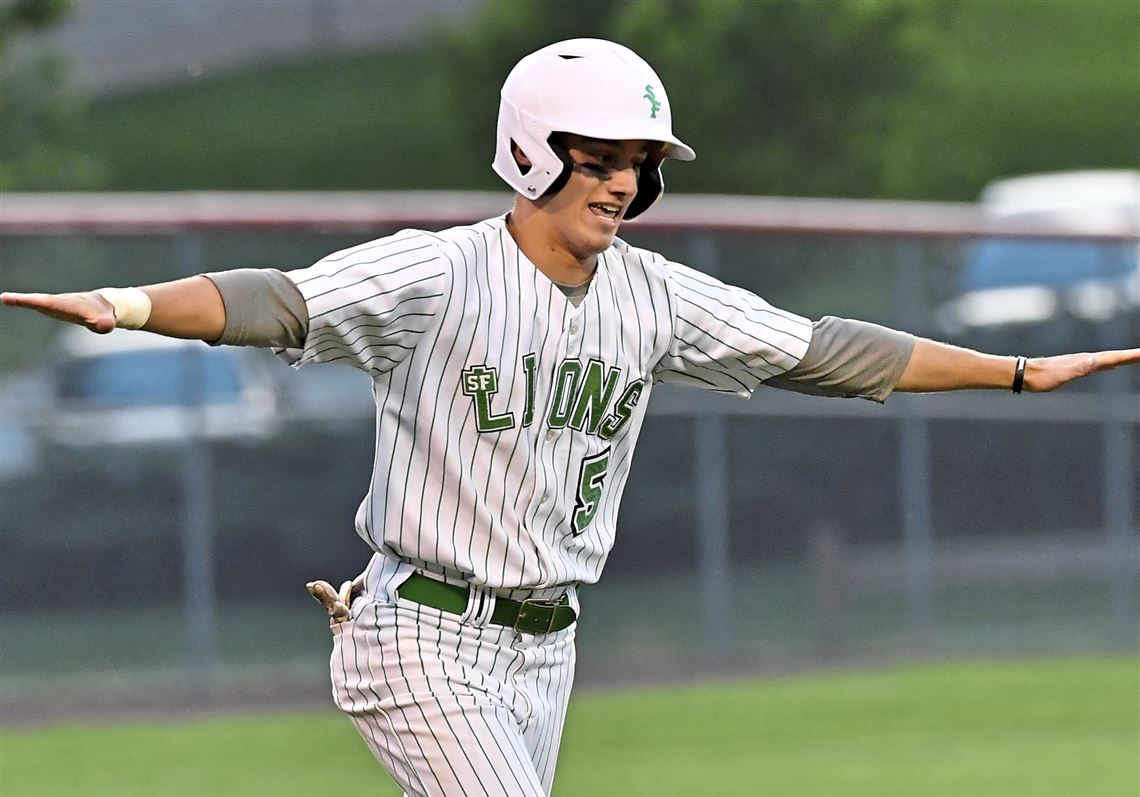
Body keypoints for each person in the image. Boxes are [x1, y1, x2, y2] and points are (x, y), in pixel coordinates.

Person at [3, 38, 1137, 797]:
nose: (620, 186)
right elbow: (278, 300)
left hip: (548, 648)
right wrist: (128, 304)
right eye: (598, 160)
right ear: (529, 153)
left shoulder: (653, 294)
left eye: (638, 167)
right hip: (422, 640)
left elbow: (826, 351)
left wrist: (1017, 372)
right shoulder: (437, 275)